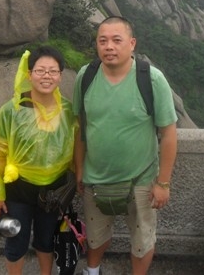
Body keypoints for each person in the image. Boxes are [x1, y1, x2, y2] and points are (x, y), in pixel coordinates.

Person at [73, 16, 178, 275]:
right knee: (95, 236)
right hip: (96, 177)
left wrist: (163, 183)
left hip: (141, 179)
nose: (109, 46)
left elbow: (168, 133)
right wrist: (79, 169)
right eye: (103, 41)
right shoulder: (86, 76)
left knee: (142, 241)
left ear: (132, 44)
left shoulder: (151, 79)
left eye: (116, 40)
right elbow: (80, 128)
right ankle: (92, 271)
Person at [0, 46, 78, 275]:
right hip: (18, 189)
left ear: (60, 76)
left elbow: (76, 149)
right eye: (40, 70)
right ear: (29, 74)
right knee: (16, 241)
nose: (46, 76)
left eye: (52, 71)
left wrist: (77, 179)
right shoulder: (11, 111)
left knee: (46, 240)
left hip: (54, 190)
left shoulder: (68, 111)